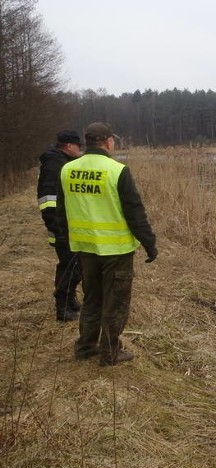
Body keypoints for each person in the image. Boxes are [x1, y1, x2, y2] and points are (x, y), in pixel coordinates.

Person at [56, 122, 158, 366]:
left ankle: (85, 347)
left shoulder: (68, 170)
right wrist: (149, 243)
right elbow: (135, 212)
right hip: (116, 250)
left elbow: (61, 211)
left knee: (92, 298)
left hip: (85, 247)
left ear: (87, 141)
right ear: (108, 141)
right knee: (116, 303)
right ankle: (110, 352)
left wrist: (63, 241)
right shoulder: (117, 170)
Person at [37, 130, 84, 321]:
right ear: (69, 146)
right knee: (71, 265)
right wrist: (56, 227)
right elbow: (47, 199)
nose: (81, 150)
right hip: (62, 227)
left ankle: (69, 300)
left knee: (73, 264)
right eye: (79, 146)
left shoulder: (62, 162)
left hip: (69, 226)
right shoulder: (54, 164)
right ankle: (62, 307)